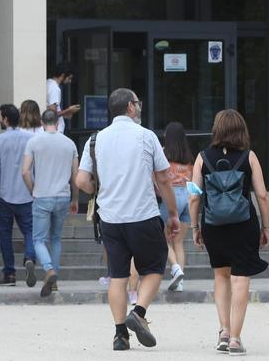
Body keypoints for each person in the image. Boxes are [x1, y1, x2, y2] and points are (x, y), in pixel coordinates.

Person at [76, 88, 181, 352]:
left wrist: (100, 190)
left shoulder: (95, 140)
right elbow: (164, 179)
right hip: (143, 215)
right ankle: (139, 312)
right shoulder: (146, 136)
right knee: (155, 267)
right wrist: (172, 213)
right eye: (138, 102)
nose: (139, 106)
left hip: (110, 218)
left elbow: (81, 181)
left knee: (118, 276)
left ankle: (120, 334)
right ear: (131, 108)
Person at [189, 109, 269, 356]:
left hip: (213, 225)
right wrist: (266, 226)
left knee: (221, 276)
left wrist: (195, 227)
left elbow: (194, 198)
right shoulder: (250, 156)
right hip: (244, 225)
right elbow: (263, 195)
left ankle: (224, 331)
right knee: (241, 277)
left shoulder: (202, 157)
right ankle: (235, 339)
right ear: (241, 130)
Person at [22, 108, 79, 297]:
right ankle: (54, 281)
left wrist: (32, 189)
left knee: (38, 239)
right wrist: (76, 198)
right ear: (57, 121)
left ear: (41, 122)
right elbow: (75, 175)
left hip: (42, 195)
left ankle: (48, 269)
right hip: (63, 196)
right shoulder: (69, 143)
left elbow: (25, 171)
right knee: (55, 238)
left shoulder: (34, 142)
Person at [0, 103, 38, 287]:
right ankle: (29, 257)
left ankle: (9, 274)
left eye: (1, 117)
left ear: (6, 119)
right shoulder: (30, 139)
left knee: (5, 234)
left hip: (6, 194)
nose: (0, 120)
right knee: (29, 231)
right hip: (27, 192)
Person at [160, 122, 193, 292]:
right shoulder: (188, 157)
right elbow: (194, 181)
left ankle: (175, 268)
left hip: (170, 197)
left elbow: (160, 179)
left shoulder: (164, 155)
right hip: (187, 197)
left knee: (162, 238)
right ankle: (180, 282)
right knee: (179, 242)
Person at [46, 63, 81, 133]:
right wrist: (69, 110)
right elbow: (52, 114)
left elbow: (49, 111)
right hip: (55, 132)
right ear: (62, 75)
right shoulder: (55, 88)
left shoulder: (48, 83)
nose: (70, 81)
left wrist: (65, 114)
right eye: (69, 78)